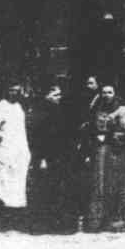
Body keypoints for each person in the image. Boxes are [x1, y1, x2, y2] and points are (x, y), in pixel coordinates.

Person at [83, 85, 125, 233]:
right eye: (104, 92)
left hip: (115, 152)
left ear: (115, 94)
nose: (106, 95)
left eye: (109, 92)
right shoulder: (97, 109)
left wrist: (110, 136)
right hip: (99, 153)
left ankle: (117, 220)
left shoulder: (121, 110)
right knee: (99, 185)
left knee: (116, 184)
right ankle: (97, 222)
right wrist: (94, 138)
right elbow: (91, 129)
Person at [28, 85, 76, 234]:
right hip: (45, 158)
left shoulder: (60, 111)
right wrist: (41, 158)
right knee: (45, 190)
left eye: (60, 95)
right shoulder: (40, 113)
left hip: (59, 157)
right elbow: (37, 139)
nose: (59, 97)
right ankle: (43, 225)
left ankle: (59, 224)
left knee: (59, 190)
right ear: (46, 96)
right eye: (55, 95)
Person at [0, 82, 31, 231]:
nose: (14, 93)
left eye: (17, 90)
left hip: (21, 151)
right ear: (6, 91)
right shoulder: (1, 106)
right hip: (7, 151)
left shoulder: (19, 107)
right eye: (11, 90)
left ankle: (17, 222)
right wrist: (2, 135)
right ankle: (1, 223)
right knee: (4, 187)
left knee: (18, 186)